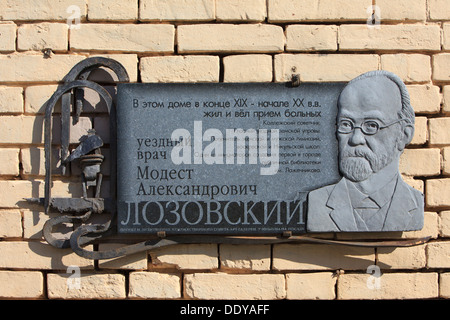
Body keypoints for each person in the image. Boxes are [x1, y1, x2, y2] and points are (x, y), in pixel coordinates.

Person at [306, 70, 424, 232]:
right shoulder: (317, 201)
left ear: (404, 134)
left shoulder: (414, 203)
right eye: (346, 124)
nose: (355, 139)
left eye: (371, 125)